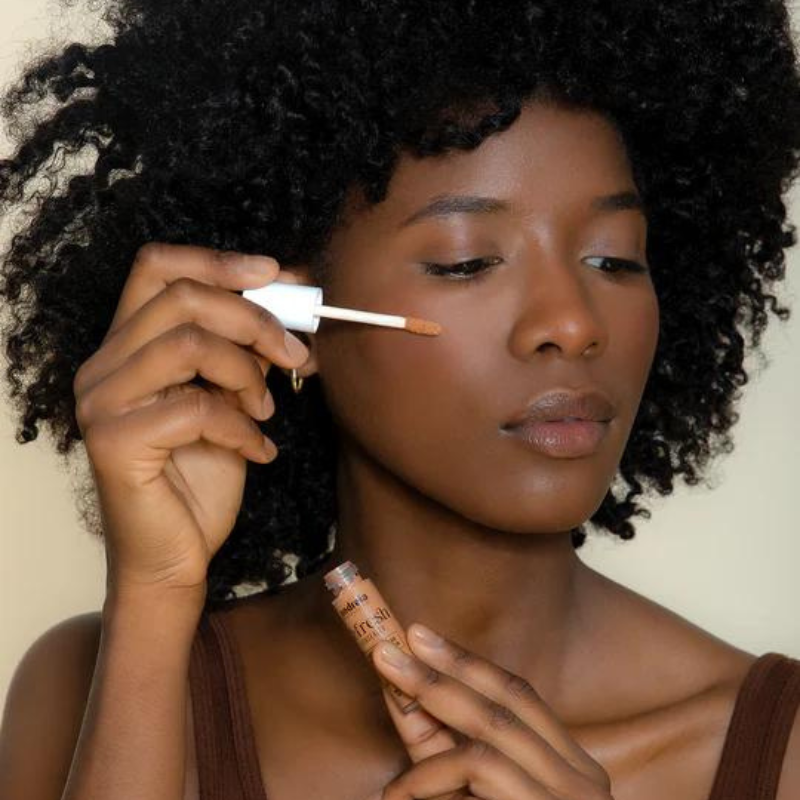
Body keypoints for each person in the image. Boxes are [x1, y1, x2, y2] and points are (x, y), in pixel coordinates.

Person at [0, 0, 799, 798]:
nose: (572, 323)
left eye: (615, 260)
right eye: (466, 262)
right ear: (292, 315)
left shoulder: (782, 748)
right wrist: (155, 593)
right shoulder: (90, 687)